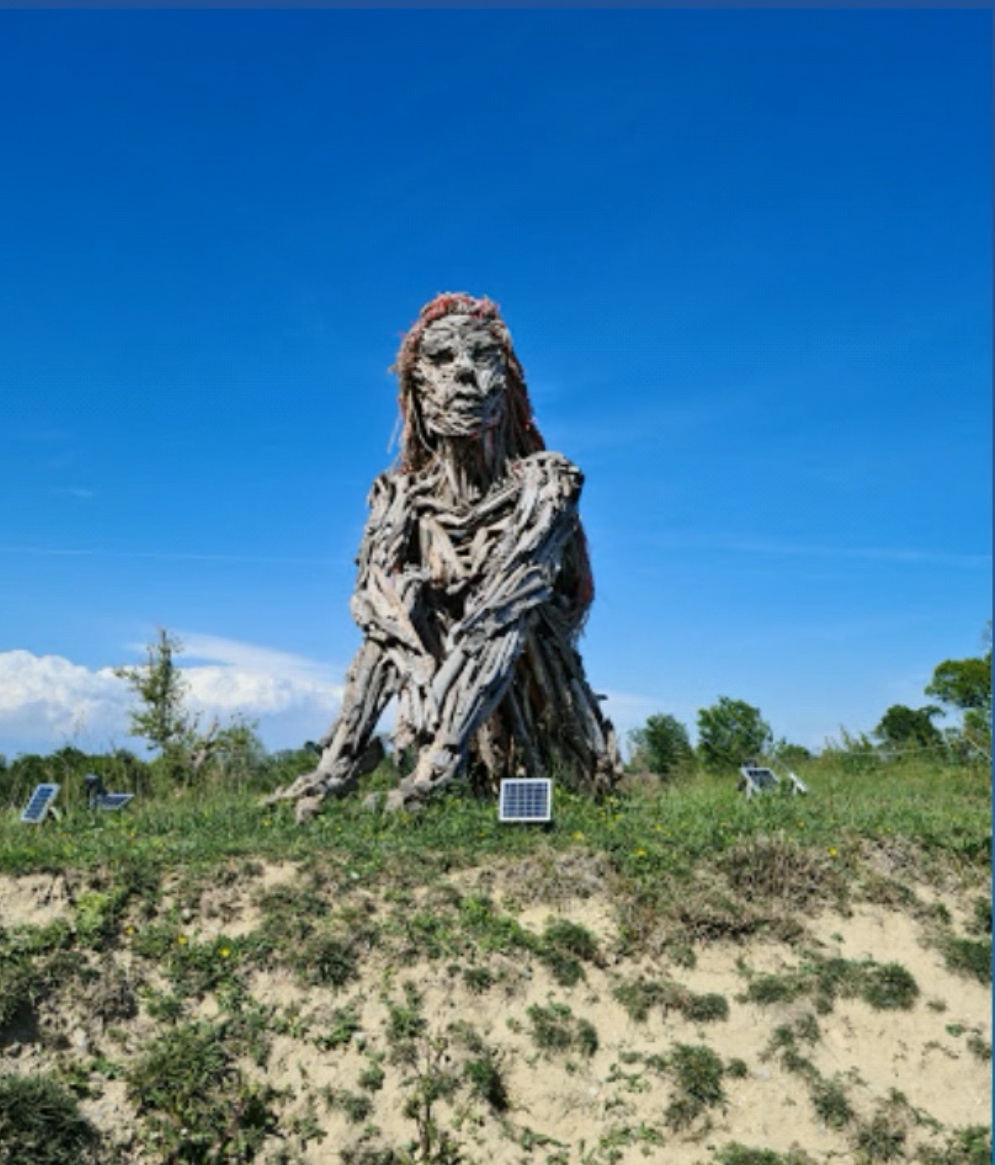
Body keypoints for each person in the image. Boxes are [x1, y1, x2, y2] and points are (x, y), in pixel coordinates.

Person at [272, 293, 620, 817]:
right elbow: (376, 603)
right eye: (441, 360)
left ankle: (440, 767)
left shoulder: (546, 484)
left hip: (521, 648)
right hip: (432, 658)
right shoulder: (400, 497)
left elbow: (505, 605)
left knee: (503, 613)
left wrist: (439, 743)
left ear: (505, 382)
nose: (462, 376)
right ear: (416, 386)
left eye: (480, 358)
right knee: (406, 599)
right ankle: (334, 768)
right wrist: (411, 643)